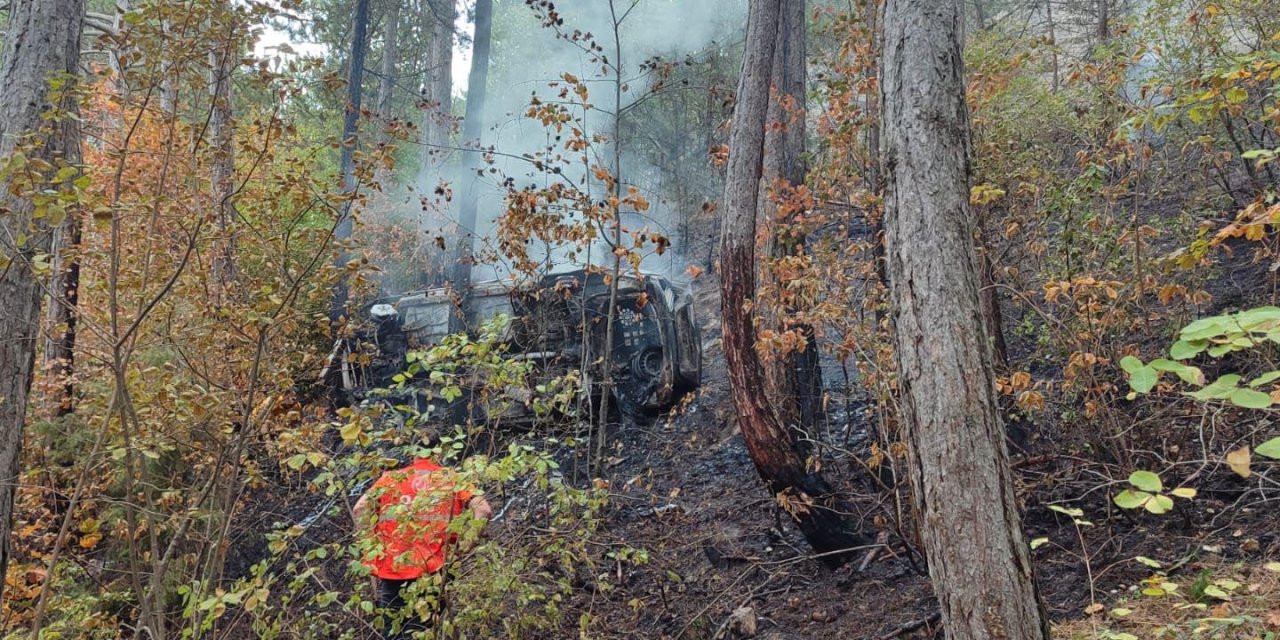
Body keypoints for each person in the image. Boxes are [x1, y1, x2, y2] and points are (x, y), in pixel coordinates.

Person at [353, 457, 493, 636]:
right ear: (439, 451)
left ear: (413, 454)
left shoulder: (391, 478)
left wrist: (371, 550)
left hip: (393, 568)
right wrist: (463, 547)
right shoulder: (452, 478)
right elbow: (484, 510)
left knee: (394, 631)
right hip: (435, 569)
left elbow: (360, 509)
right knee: (423, 631)